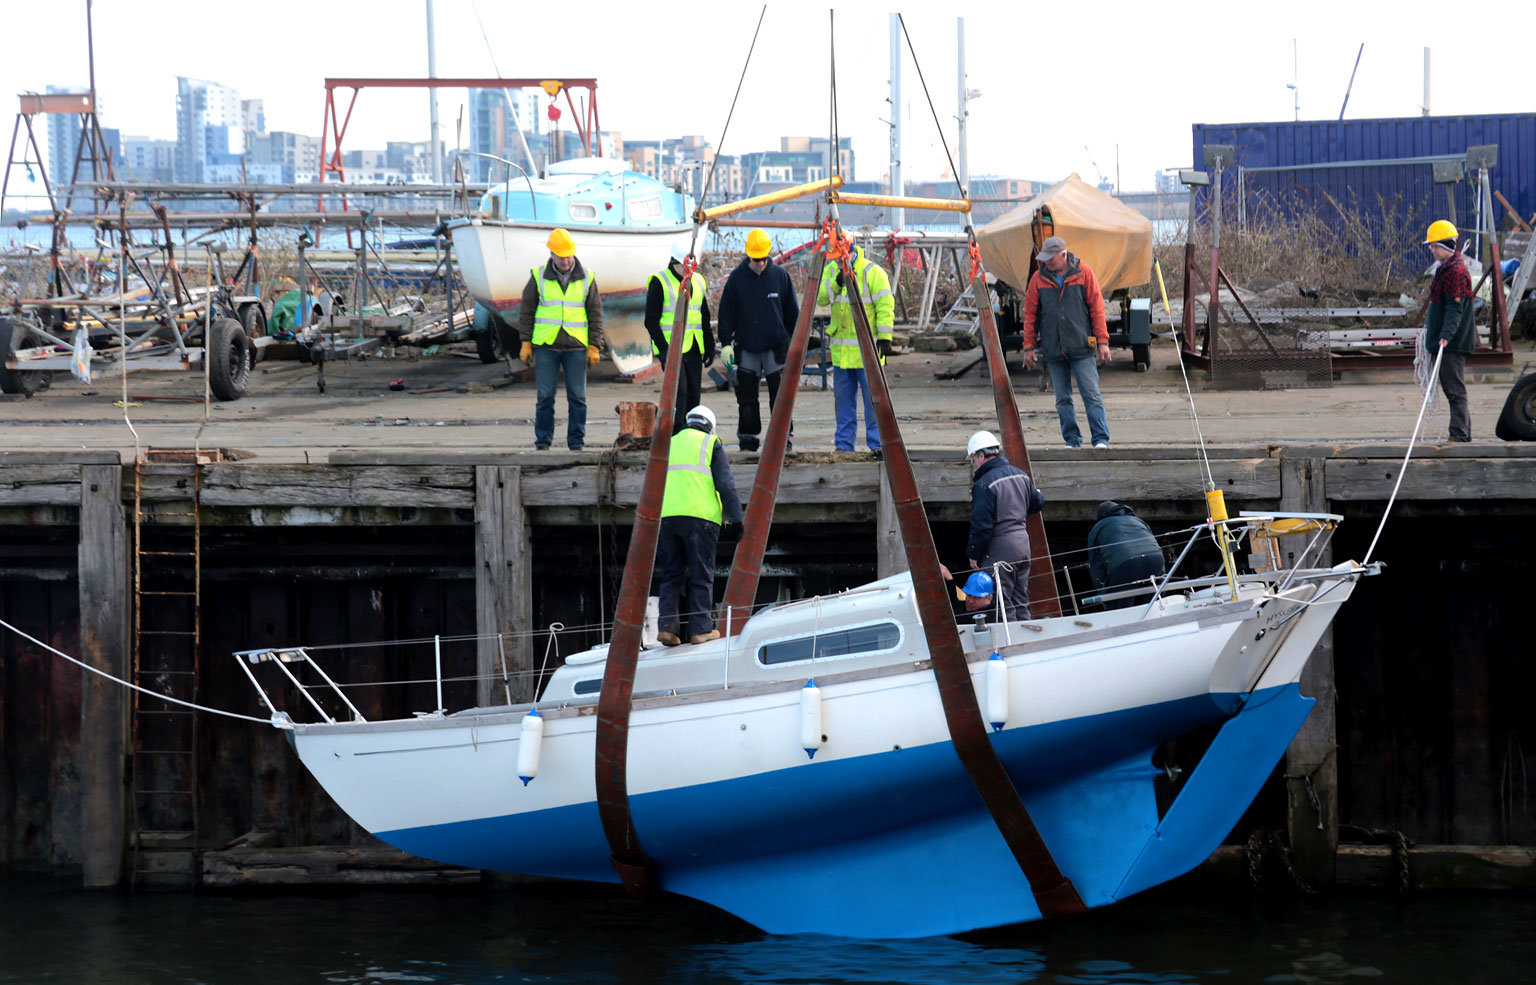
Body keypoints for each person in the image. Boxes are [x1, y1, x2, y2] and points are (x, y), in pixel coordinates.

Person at [656, 405, 744, 647]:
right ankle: (701, 630)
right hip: (700, 519)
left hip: (668, 517)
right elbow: (726, 484)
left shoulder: (671, 443)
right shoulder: (710, 443)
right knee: (701, 574)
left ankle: (667, 629)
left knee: (672, 574)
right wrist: (736, 519)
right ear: (710, 425)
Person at [1021, 235, 1112, 449]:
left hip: (1081, 347)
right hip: (1053, 349)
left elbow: (1097, 310)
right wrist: (1028, 347)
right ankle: (1072, 441)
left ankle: (1100, 439)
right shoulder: (1037, 279)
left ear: (1063, 255)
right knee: (1062, 399)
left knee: (1091, 395)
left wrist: (1103, 342)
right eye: (1044, 259)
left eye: (1050, 259)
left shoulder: (1085, 273)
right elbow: (1030, 315)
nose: (1046, 263)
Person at [519, 228, 605, 451]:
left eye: (568, 255)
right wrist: (525, 342)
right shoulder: (538, 277)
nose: (566, 260)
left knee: (578, 398)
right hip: (547, 347)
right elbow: (527, 310)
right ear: (552, 255)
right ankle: (543, 441)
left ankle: (576, 442)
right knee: (545, 397)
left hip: (576, 347)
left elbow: (596, 313)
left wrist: (595, 345)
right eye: (561, 256)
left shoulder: (588, 277)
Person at [717, 228, 799, 452]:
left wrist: (796, 343)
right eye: (756, 259)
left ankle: (783, 438)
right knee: (747, 398)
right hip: (748, 348)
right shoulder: (736, 279)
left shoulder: (780, 276)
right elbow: (726, 314)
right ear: (748, 255)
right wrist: (725, 343)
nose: (761, 263)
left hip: (776, 347)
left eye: (764, 259)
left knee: (781, 396)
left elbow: (793, 314)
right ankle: (748, 438)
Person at [817, 245, 894, 453]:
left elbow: (885, 305)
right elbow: (821, 297)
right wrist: (837, 282)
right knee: (843, 404)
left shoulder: (872, 272)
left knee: (875, 404)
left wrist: (885, 337)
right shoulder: (832, 269)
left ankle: (878, 447)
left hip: (868, 355)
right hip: (843, 355)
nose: (835, 261)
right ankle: (844, 448)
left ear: (849, 252)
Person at [965, 430, 1044, 621]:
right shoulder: (1021, 476)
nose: (974, 463)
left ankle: (1011, 647)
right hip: (1023, 546)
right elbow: (1036, 504)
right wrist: (1039, 494)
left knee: (1004, 602)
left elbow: (981, 525)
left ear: (981, 456)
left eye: (974, 458)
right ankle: (1027, 642)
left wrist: (974, 553)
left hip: (1000, 549)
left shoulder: (984, 484)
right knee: (1021, 600)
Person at [645, 242, 715, 434]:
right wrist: (664, 349)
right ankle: (675, 433)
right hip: (671, 349)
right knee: (679, 393)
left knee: (693, 394)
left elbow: (704, 315)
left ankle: (691, 433)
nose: (691, 270)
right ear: (677, 262)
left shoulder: (698, 281)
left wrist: (709, 345)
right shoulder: (660, 282)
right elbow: (651, 321)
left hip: (693, 347)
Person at [1422, 219, 1475, 442]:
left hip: (1451, 342)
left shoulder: (1457, 272)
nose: (1432, 250)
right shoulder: (1444, 269)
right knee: (1451, 387)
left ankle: (1460, 434)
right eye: (1431, 246)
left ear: (1446, 246)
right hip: (1444, 339)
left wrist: (1445, 336)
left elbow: (1455, 308)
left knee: (1455, 389)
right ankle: (1461, 432)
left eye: (1435, 246)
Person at [1086, 501, 1166, 609]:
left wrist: (1103, 592)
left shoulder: (1098, 528)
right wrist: (1162, 583)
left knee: (1119, 607)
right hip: (1156, 561)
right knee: (1147, 606)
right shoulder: (1139, 521)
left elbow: (1097, 566)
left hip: (1126, 565)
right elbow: (1155, 547)